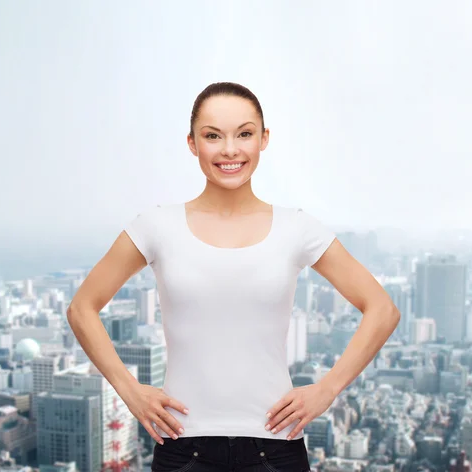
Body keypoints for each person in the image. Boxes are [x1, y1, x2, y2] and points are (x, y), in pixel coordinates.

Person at [67, 82, 400, 471]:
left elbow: (382, 308)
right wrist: (129, 390)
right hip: (182, 447)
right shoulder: (156, 225)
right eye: (213, 136)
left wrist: (327, 389)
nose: (229, 149)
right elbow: (81, 308)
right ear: (192, 143)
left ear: (264, 139)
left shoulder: (297, 227)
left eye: (244, 134)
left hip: (275, 448)